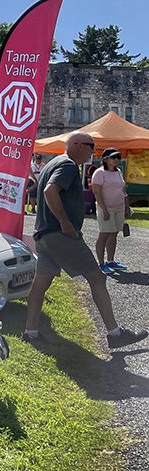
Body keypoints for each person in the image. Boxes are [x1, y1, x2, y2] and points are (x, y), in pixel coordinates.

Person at [24, 131, 147, 349]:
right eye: (92, 147)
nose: (93, 152)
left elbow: (48, 189)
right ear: (80, 146)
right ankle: (115, 334)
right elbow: (50, 190)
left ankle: (30, 332)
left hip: (43, 234)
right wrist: (65, 222)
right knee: (97, 277)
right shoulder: (68, 165)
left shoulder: (53, 163)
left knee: (41, 282)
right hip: (59, 234)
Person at [90, 148, 131, 275]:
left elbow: (123, 190)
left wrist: (127, 207)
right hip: (106, 208)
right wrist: (104, 210)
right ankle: (101, 263)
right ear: (105, 159)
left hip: (119, 207)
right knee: (104, 234)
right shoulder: (99, 173)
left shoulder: (118, 172)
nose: (116, 160)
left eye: (118, 157)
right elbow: (96, 192)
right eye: (113, 157)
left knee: (114, 233)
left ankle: (111, 261)